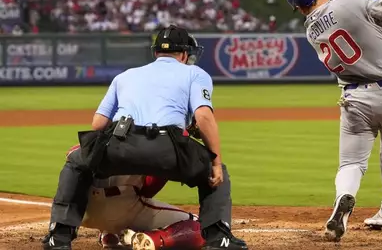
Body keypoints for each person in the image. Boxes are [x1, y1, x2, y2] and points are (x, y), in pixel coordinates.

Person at [43, 25, 248, 250]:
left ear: (156, 52)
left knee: (76, 162)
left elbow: (98, 124)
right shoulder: (195, 73)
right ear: (184, 54)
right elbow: (204, 116)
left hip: (120, 141)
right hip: (167, 146)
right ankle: (219, 239)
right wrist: (215, 162)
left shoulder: (125, 76)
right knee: (213, 171)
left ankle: (58, 237)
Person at [285, 0, 382, 242]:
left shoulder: (312, 31)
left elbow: (363, 40)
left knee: (351, 163)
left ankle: (343, 200)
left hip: (355, 99)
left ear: (301, 7)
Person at [62, 145, 204, 250]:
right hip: (122, 211)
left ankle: (110, 234)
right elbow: (148, 191)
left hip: (82, 214)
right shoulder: (159, 141)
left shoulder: (96, 139)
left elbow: (72, 162)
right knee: (200, 226)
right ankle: (154, 240)